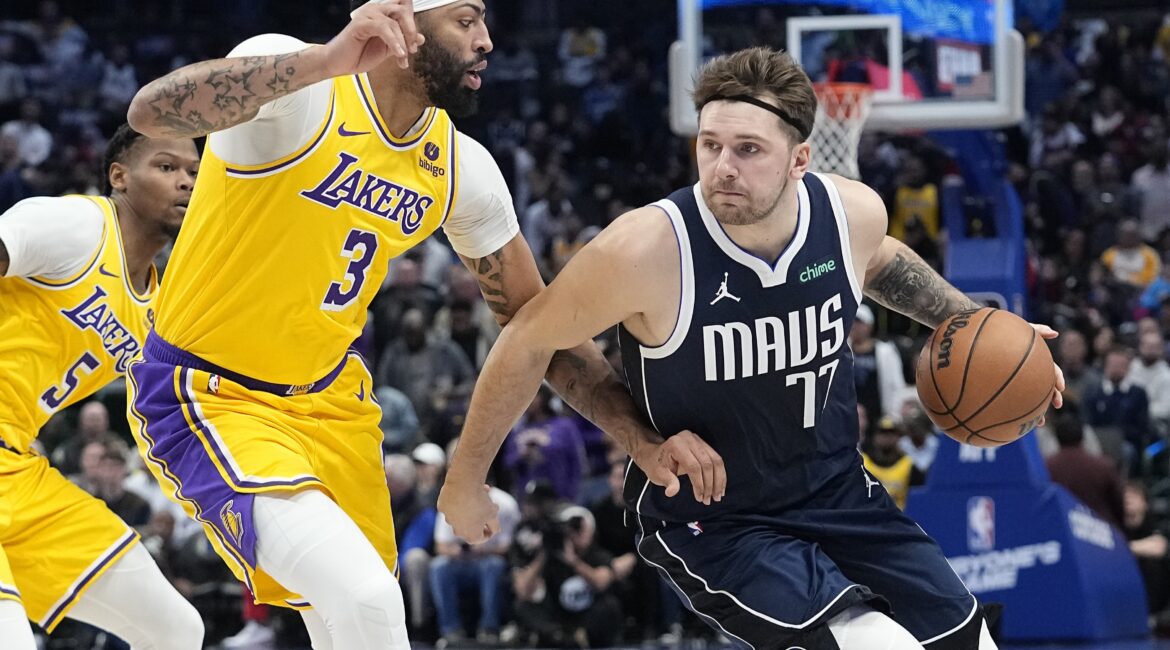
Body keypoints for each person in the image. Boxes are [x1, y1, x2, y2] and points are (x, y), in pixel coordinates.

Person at [440, 47, 1065, 649]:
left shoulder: (850, 215)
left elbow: (878, 262)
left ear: (800, 159)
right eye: (709, 146)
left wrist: (980, 325)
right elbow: (529, 341)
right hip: (717, 518)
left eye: (747, 150)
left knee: (969, 638)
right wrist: (470, 480)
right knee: (872, 642)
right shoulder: (645, 250)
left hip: (836, 490)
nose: (723, 168)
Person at [125, 1, 691, 648]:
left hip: (333, 405)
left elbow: (541, 330)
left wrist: (640, 441)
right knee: (365, 599)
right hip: (212, 395)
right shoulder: (303, 88)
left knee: (360, 619)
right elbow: (151, 113)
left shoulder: (460, 168)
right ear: (404, 23)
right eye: (467, 20)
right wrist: (325, 60)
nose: (486, 42)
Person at [0, 124, 203, 648]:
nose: (185, 182)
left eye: (194, 174)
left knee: (177, 631)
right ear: (119, 176)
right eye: (167, 167)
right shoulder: (76, 225)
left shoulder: (159, 308)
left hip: (16, 469)